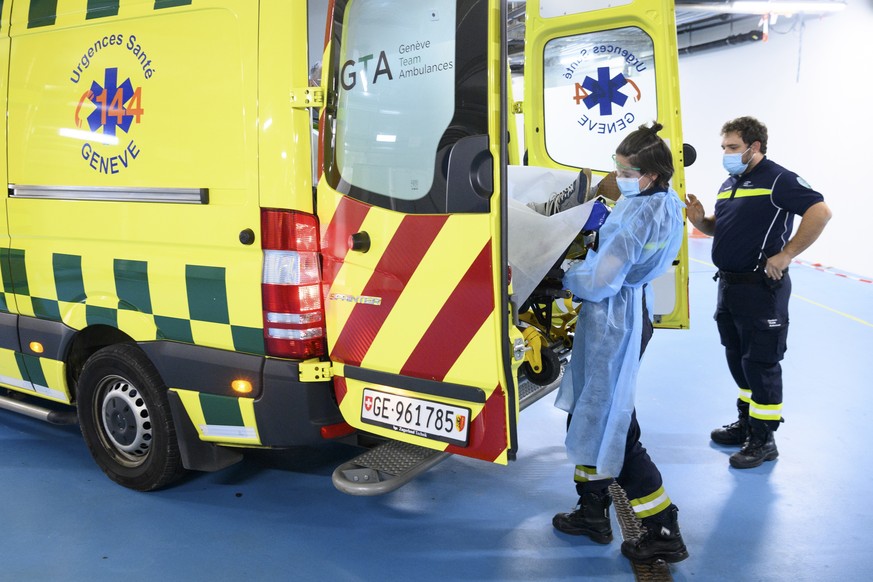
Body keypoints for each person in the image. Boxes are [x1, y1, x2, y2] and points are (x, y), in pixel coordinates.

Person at [553, 122, 688, 564]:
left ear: (651, 173)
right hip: (627, 314)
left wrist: (563, 275)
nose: (619, 177)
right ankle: (592, 511)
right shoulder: (667, 202)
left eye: (627, 171)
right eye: (618, 168)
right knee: (588, 414)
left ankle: (662, 526)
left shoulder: (637, 214)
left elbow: (603, 279)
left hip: (615, 320)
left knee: (613, 425)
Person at [685, 116, 831, 469]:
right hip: (729, 285)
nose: (726, 154)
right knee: (737, 356)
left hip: (761, 289)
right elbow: (723, 227)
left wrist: (787, 254)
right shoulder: (729, 183)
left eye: (733, 148)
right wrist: (701, 221)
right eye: (723, 148)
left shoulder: (779, 179)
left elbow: (821, 211)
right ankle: (748, 423)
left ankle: (764, 440)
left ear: (755, 147)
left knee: (761, 362)